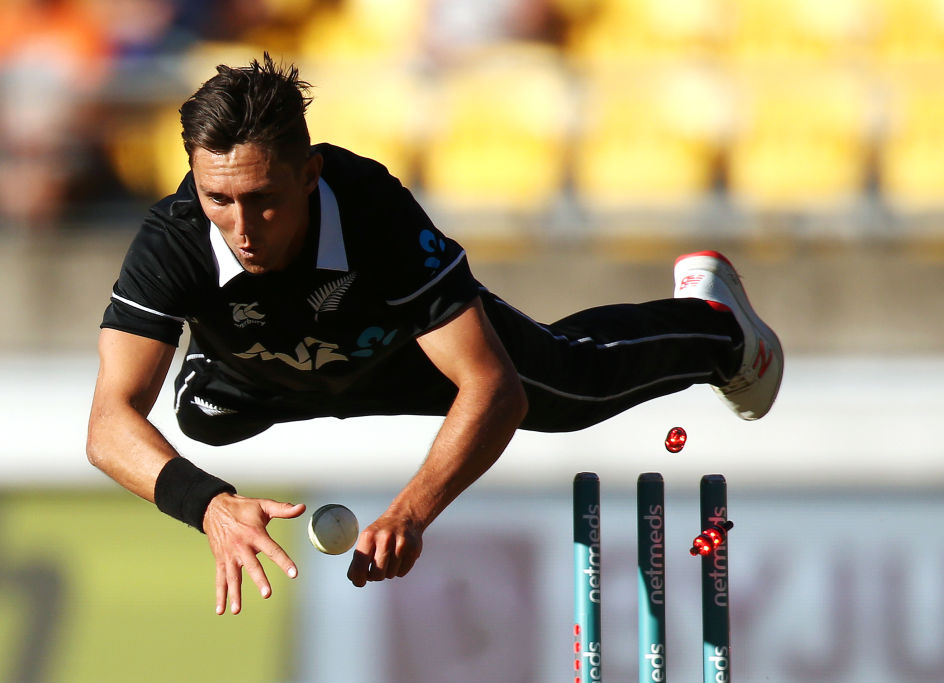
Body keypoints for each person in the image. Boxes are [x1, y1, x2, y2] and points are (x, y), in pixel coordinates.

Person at [86, 55, 783, 615]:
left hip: (402, 353)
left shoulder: (371, 208)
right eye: (219, 200)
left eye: (265, 200)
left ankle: (716, 329)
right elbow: (107, 425)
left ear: (310, 174)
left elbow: (492, 389)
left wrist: (411, 512)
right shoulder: (173, 237)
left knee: (570, 387)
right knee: (199, 420)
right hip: (256, 373)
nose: (242, 228)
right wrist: (208, 504)